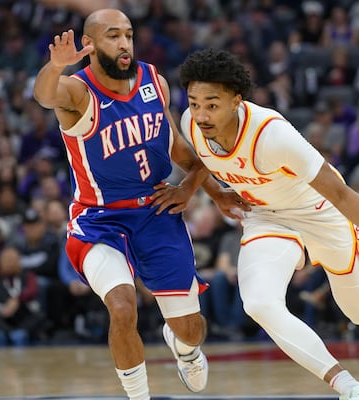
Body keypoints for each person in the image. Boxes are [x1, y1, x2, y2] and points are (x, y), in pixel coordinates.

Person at [176, 48, 359, 400]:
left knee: (358, 311)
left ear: (236, 100)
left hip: (320, 211)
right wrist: (217, 194)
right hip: (266, 216)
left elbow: (342, 196)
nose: (202, 114)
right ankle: (347, 388)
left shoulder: (273, 136)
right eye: (194, 103)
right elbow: (201, 159)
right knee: (258, 302)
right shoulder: (190, 124)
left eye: (212, 104)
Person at [32, 10, 249, 400]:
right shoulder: (78, 93)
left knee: (191, 329)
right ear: (91, 45)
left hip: (156, 211)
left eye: (128, 35)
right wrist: (55, 66)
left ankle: (183, 347)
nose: (124, 44)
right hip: (100, 219)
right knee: (122, 305)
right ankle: (138, 397)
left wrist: (204, 192)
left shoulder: (154, 82)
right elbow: (45, 94)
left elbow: (180, 150)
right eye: (113, 36)